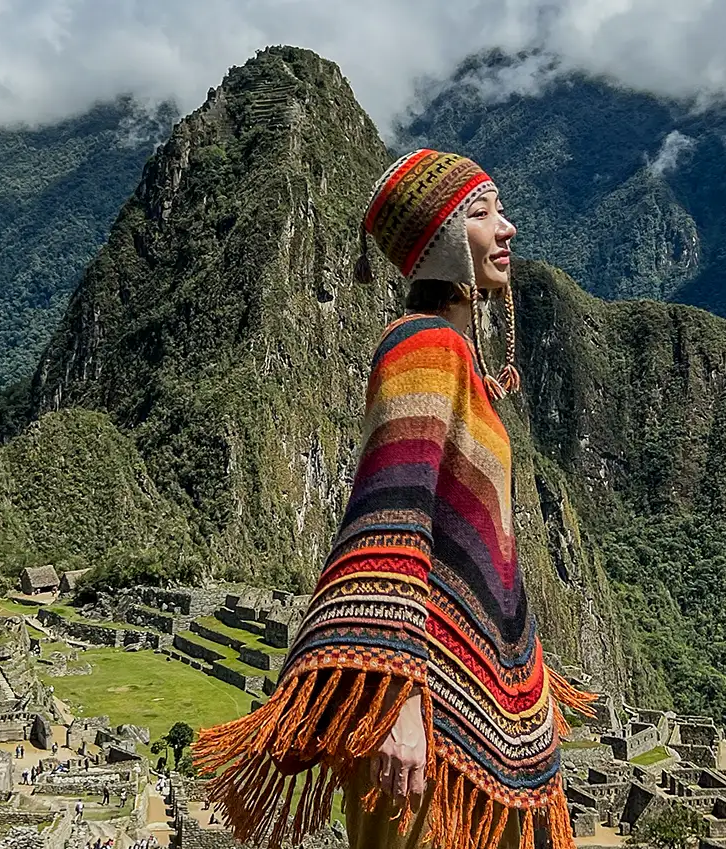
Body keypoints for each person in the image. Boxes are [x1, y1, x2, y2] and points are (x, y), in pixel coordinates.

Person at [192, 149, 600, 849]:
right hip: (423, 712)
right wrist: (399, 702)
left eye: (500, 209)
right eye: (481, 214)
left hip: (469, 694)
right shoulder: (423, 346)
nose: (506, 228)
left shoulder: (460, 356)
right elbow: (388, 524)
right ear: (441, 240)